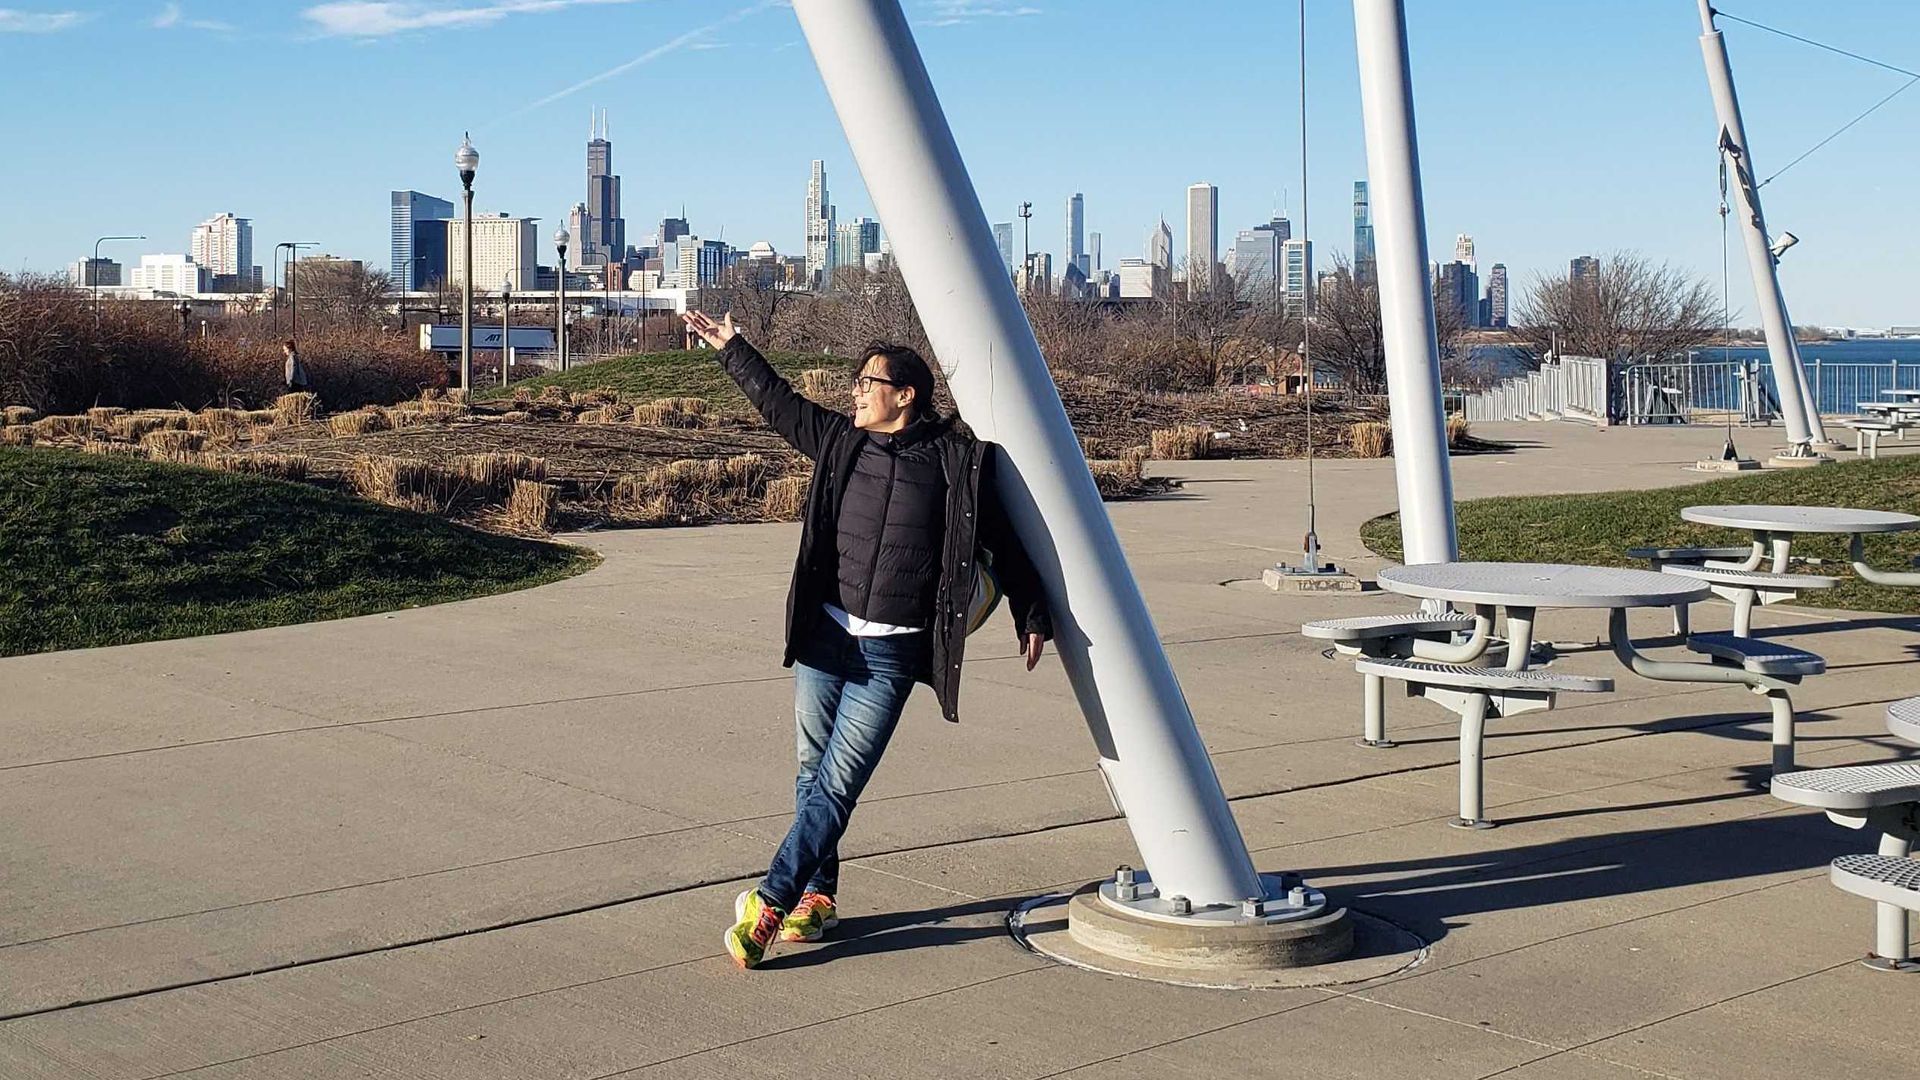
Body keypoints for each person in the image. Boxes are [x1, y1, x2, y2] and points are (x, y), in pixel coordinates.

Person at [683, 309, 1053, 970]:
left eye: (866, 381)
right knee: (811, 772)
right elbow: (778, 404)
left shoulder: (956, 463)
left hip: (890, 653)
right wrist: (733, 346)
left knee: (836, 786)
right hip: (826, 637)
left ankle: (771, 903)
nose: (854, 391)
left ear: (905, 394)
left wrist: (1032, 612)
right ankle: (817, 898)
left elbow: (1005, 542)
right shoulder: (840, 443)